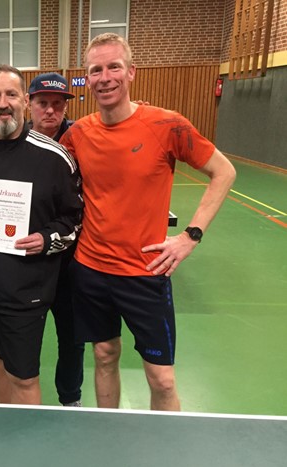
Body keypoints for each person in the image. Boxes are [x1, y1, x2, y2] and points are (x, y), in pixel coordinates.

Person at [60, 33, 236, 411]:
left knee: (162, 379)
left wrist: (190, 236)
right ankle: (110, 431)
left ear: (131, 72)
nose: (105, 77)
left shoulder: (167, 125)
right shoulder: (78, 134)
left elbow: (224, 172)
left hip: (145, 272)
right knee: (104, 354)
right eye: (96, 70)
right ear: (87, 79)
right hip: (91, 270)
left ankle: (164, 442)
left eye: (114, 67)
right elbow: (36, 151)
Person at [0, 65, 82, 405]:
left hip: (25, 295)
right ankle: (2, 425)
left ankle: (23, 436)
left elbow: (75, 219)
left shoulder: (54, 157)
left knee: (24, 377)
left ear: (24, 101)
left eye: (11, 94)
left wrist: (47, 239)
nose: (3, 103)